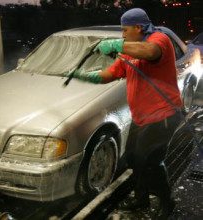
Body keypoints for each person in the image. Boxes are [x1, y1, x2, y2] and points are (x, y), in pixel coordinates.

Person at [72, 8, 182, 219]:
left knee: (150, 161)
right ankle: (141, 199)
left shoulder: (160, 39)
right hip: (142, 117)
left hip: (163, 116)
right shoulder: (129, 52)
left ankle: (168, 202)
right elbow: (110, 73)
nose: (122, 35)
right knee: (132, 158)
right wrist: (85, 76)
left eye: (124, 30)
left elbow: (150, 52)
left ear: (138, 27)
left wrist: (115, 45)